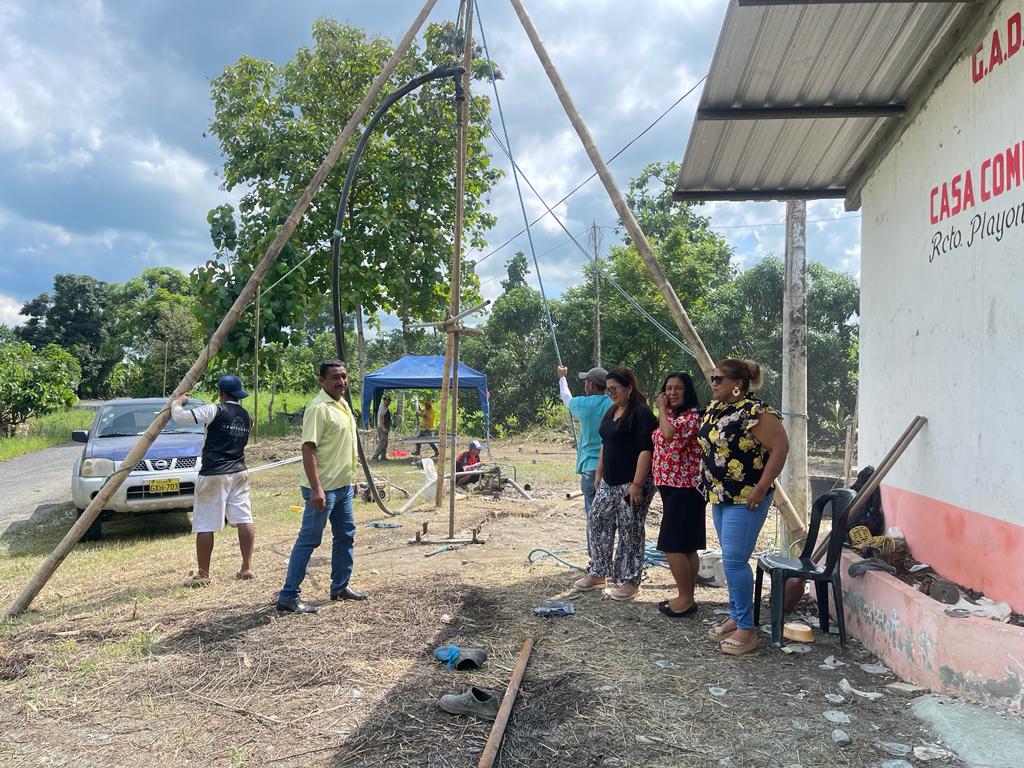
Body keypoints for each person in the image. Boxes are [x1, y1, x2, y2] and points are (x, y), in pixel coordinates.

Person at [698, 358, 789, 655]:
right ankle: (736, 616)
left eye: (719, 379)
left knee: (735, 561)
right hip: (720, 495)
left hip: (747, 497)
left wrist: (761, 488)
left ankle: (747, 629)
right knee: (730, 559)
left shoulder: (755, 412)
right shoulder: (715, 408)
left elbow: (780, 448)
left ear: (738, 384)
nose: (713, 383)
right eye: (713, 379)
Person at [276, 360, 368, 614]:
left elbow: (345, 447)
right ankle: (288, 596)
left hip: (342, 486)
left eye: (344, 376)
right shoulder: (318, 408)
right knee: (309, 540)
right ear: (322, 381)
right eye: (335, 377)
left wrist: (352, 478)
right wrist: (316, 488)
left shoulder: (342, 404)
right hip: (323, 488)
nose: (342, 382)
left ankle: (340, 587)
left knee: (346, 535)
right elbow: (308, 449)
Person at [574, 368, 658, 600]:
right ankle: (598, 572)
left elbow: (646, 450)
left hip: (632, 482)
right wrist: (599, 474)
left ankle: (630, 580)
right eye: (608, 389)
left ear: (629, 387)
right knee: (597, 519)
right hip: (609, 481)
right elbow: (606, 443)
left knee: (630, 529)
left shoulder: (641, 413)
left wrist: (637, 484)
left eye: (614, 389)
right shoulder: (612, 410)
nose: (610, 393)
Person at [171, 375, 254, 585]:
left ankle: (203, 574)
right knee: (244, 518)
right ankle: (246, 567)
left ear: (221, 393)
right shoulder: (247, 416)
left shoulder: (214, 409)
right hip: (239, 471)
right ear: (238, 394)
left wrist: (178, 402)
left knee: (205, 524)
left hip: (214, 473)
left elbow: (180, 417)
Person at [652, 371, 705, 618]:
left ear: (687, 392)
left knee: (672, 545)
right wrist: (666, 412)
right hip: (673, 488)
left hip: (685, 489)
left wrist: (662, 409)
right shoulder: (674, 416)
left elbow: (668, 434)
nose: (672, 393)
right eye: (668, 388)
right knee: (686, 546)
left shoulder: (692, 417)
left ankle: (684, 598)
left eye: (678, 388)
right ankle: (687, 597)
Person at [556, 365, 610, 553]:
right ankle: (605, 558)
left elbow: (566, 398)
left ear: (591, 385)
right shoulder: (612, 404)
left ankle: (595, 559)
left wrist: (562, 378)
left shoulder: (584, 405)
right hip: (609, 469)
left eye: (586, 382)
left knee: (593, 517)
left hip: (590, 469)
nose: (585, 385)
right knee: (608, 518)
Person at [371, 395, 392, 462]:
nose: (388, 402)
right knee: (382, 443)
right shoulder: (383, 407)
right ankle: (375, 456)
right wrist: (383, 427)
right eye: (387, 401)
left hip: (384, 427)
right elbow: (381, 416)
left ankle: (383, 457)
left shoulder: (385, 407)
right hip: (382, 428)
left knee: (385, 443)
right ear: (384, 401)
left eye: (389, 401)